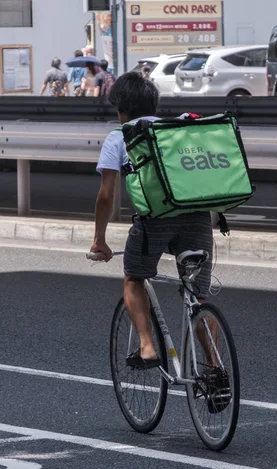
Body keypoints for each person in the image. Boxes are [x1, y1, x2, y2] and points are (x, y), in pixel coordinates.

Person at [89, 72, 214, 368]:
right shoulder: (177, 130)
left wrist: (99, 239)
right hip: (197, 216)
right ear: (154, 104)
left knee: (134, 277)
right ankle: (216, 368)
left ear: (120, 109)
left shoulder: (120, 136)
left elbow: (106, 195)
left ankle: (147, 347)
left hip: (154, 220)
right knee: (198, 298)